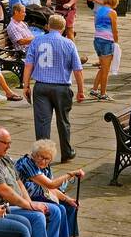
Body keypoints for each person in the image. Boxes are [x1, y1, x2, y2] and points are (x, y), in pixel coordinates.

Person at [21, 13, 85, 162]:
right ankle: (66, 152)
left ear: (48, 26)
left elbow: (28, 64)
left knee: (42, 122)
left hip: (41, 86)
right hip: (62, 88)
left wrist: (26, 85)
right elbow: (78, 69)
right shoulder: (69, 44)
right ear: (63, 28)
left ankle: (42, 156)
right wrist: (81, 91)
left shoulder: (37, 41)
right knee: (63, 121)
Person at [15, 140, 84, 237]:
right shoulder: (28, 163)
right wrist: (70, 174)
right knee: (59, 209)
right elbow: (51, 184)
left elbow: (49, 189)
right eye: (41, 157)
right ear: (34, 154)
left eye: (48, 159)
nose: (44, 161)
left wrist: (67, 199)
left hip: (40, 195)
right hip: (28, 199)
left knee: (70, 205)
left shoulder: (46, 166)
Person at [90, 0, 120, 102]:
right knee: (106, 69)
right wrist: (116, 42)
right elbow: (114, 29)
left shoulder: (99, 10)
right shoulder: (112, 12)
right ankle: (103, 93)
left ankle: (94, 89)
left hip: (97, 39)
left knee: (102, 66)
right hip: (107, 41)